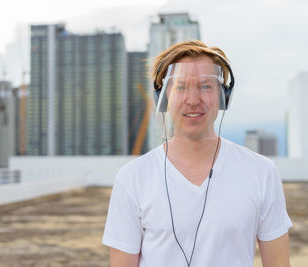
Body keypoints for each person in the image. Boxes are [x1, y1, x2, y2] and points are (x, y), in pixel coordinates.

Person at [102, 40, 292, 267]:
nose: (193, 100)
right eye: (180, 86)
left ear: (223, 97)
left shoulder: (261, 172)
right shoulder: (132, 177)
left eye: (205, 86)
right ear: (162, 99)